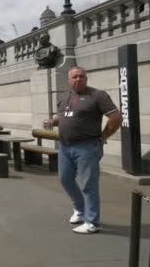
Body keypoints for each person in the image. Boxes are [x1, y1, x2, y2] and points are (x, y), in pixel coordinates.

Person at [44, 66, 121, 234]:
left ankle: (92, 222)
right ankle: (79, 210)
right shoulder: (65, 96)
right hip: (65, 146)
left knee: (88, 185)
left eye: (82, 76)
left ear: (86, 78)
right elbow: (62, 116)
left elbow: (116, 118)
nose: (79, 79)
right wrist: (53, 121)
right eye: (75, 77)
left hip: (87, 147)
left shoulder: (98, 95)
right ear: (69, 80)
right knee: (65, 179)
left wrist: (103, 137)